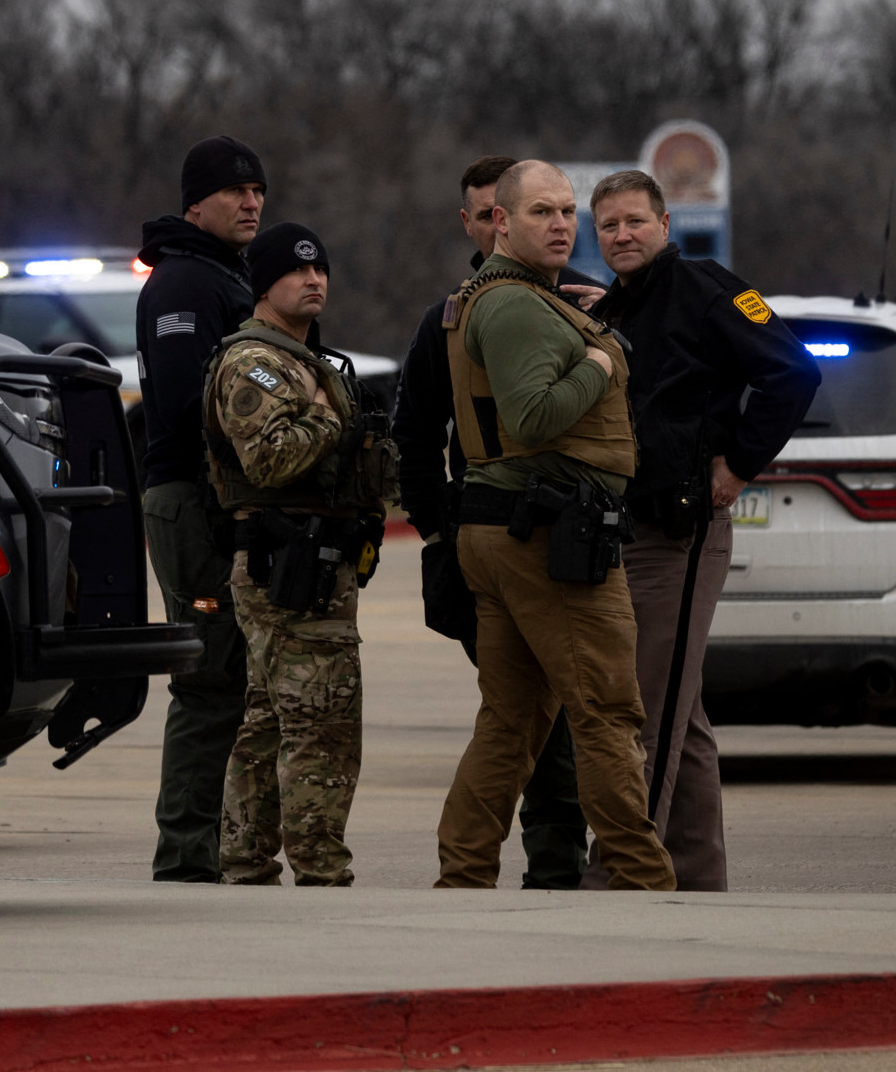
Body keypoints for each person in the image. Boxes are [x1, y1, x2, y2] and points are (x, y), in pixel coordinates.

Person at [434, 160, 675, 891]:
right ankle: (642, 877)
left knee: (511, 720)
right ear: (499, 222)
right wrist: (602, 360)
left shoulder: (516, 299)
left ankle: (465, 873)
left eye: (568, 210)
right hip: (546, 537)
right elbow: (534, 416)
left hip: (513, 529)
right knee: (605, 708)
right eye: (542, 211)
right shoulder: (512, 305)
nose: (563, 224)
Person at [579, 170, 818, 891]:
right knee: (683, 707)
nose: (621, 235)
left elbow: (793, 373)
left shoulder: (709, 289)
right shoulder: (616, 305)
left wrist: (739, 463)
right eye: (609, 225)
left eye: (634, 222)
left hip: (679, 534)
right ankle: (696, 874)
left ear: (666, 222)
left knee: (646, 709)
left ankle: (625, 872)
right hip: (628, 529)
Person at [392, 154, 601, 889]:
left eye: (554, 212)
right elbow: (413, 436)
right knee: (533, 716)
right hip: (496, 539)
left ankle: (548, 862)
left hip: (575, 537)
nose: (505, 225)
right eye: (489, 215)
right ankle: (536, 861)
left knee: (552, 715)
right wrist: (441, 530)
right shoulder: (448, 321)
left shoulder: (578, 305)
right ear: (478, 223)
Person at [205, 223, 395, 886]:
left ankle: (246, 857)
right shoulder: (253, 363)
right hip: (286, 561)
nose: (314, 280)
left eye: (321, 271)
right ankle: (319, 866)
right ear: (264, 284)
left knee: (270, 717)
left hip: (316, 561)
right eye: (296, 271)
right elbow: (270, 454)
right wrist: (323, 416)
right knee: (323, 720)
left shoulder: (308, 362)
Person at [136, 135, 267, 883]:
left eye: (258, 192)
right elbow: (192, 408)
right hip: (192, 498)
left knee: (233, 676)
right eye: (234, 191)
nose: (250, 202)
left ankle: (215, 844)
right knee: (210, 677)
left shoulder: (220, 274)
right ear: (196, 202)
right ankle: (186, 853)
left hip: (215, 500)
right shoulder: (186, 284)